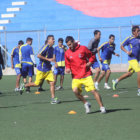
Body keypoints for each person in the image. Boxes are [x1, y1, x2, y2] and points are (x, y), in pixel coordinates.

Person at [65, 36, 106, 114]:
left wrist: (90, 62)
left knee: (93, 91)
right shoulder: (67, 53)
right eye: (68, 45)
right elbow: (67, 64)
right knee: (75, 91)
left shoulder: (83, 48)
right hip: (76, 76)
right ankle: (86, 103)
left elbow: (92, 56)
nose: (69, 46)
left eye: (70, 44)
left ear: (73, 41)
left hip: (86, 75)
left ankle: (102, 107)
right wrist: (67, 69)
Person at [20, 35, 60, 104]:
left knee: (52, 83)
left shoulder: (52, 49)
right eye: (52, 39)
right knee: (37, 84)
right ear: (48, 40)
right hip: (41, 69)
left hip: (48, 70)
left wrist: (55, 62)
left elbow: (53, 58)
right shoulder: (45, 47)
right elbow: (38, 55)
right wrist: (48, 59)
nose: (54, 40)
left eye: (54, 39)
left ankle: (53, 99)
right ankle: (24, 85)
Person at [112, 26, 140, 96]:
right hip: (132, 59)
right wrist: (127, 52)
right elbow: (121, 46)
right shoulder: (129, 39)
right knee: (139, 72)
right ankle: (139, 90)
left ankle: (116, 81)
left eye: (139, 31)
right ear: (133, 32)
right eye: (137, 31)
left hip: (137, 59)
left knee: (129, 74)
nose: (139, 32)